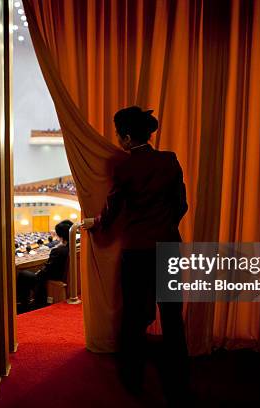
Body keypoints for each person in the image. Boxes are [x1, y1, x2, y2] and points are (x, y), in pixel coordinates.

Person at [82, 106, 190, 404]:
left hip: (138, 253)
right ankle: (178, 381)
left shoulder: (125, 168)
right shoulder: (169, 161)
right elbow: (182, 205)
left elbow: (113, 209)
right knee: (171, 316)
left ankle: (132, 379)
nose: (117, 139)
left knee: (134, 317)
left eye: (118, 134)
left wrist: (97, 223)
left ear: (127, 138)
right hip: (168, 247)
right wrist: (165, 228)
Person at [16, 220, 73, 310]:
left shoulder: (59, 251)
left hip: (53, 279)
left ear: (60, 235)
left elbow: (46, 272)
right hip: (63, 277)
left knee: (23, 274)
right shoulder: (75, 247)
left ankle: (24, 305)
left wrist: (38, 273)